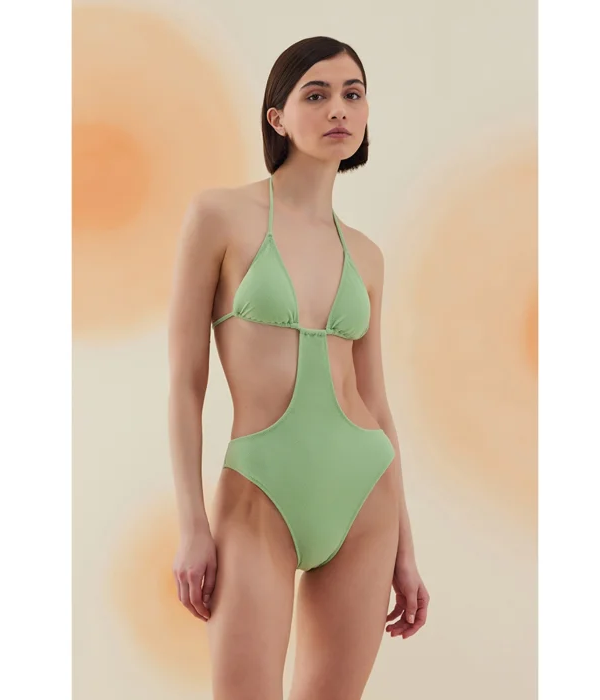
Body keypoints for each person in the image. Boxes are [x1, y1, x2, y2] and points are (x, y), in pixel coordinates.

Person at [167, 35, 430, 700]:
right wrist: (192, 526)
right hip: (261, 490)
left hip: (366, 494)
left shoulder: (367, 255)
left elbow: (376, 399)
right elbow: (185, 384)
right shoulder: (219, 216)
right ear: (277, 117)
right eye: (316, 94)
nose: (338, 108)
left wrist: (405, 548)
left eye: (352, 94)